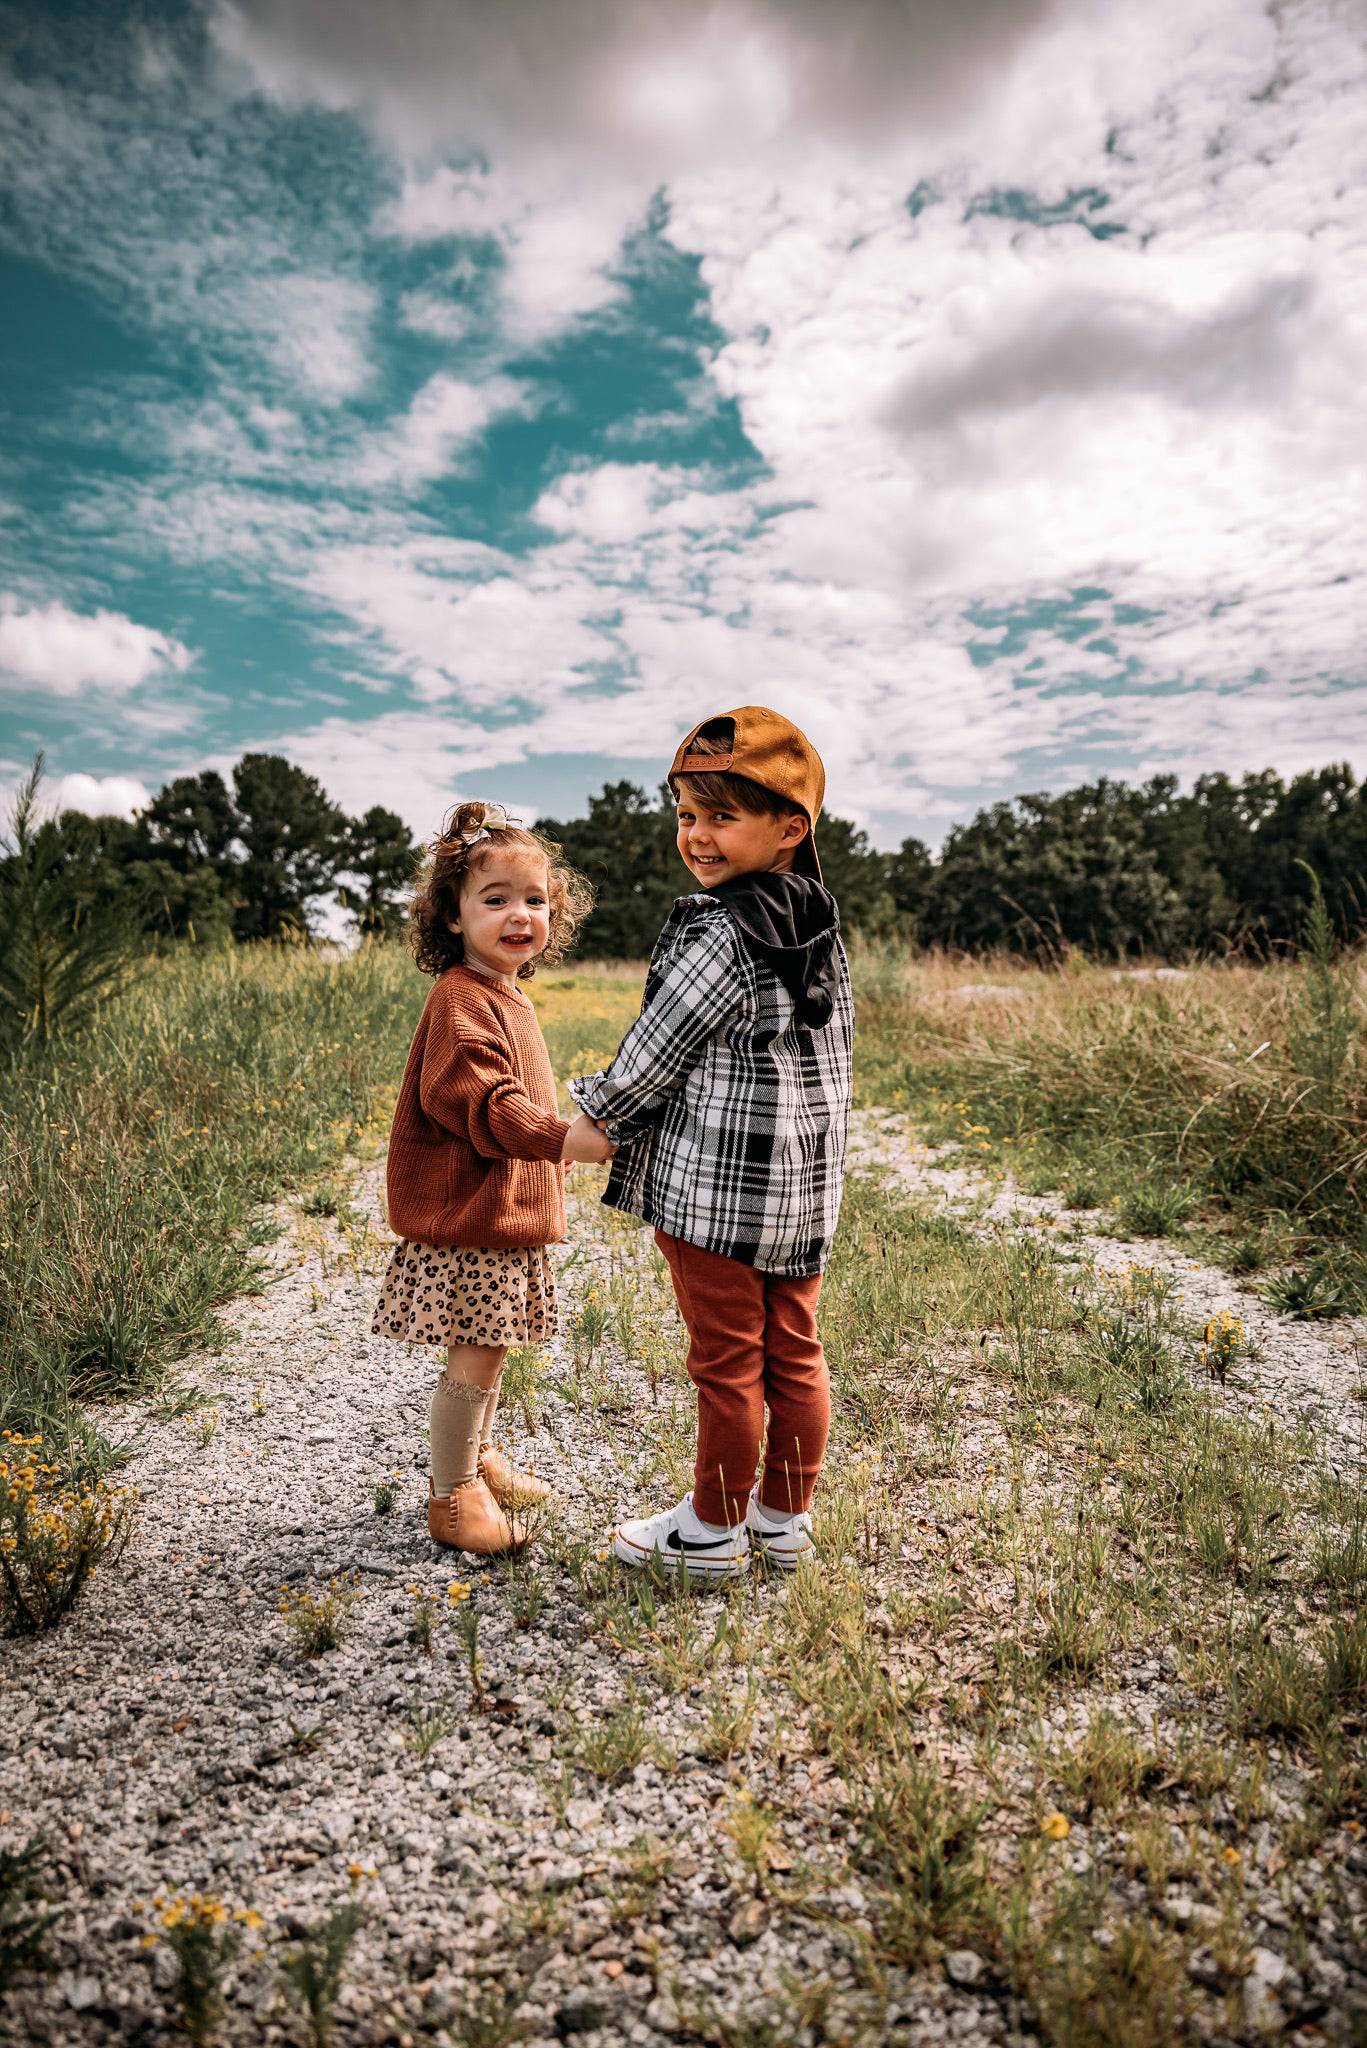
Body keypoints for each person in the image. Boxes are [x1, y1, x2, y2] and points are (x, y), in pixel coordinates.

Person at [571, 707, 854, 1579]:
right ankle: (783, 1519)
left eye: (721, 816)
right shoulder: (820, 926)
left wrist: (596, 1120)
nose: (696, 835)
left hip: (716, 1198)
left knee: (727, 1363)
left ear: (788, 828)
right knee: (794, 1353)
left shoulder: (719, 928)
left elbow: (660, 1044)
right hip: (801, 1195)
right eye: (686, 814)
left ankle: (709, 1530)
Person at [372, 801, 612, 1555]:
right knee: (475, 1354)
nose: (520, 915)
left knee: (493, 1345)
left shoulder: (503, 989)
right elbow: (484, 1098)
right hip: (472, 1215)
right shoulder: (458, 997)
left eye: (534, 900)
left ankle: (475, 1457)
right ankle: (452, 1497)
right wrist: (561, 1137)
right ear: (452, 916)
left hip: (499, 1214)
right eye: (495, 899)